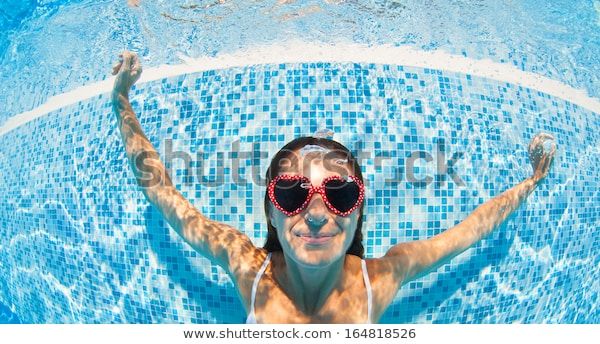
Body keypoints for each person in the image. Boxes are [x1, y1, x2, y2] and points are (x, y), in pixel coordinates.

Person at [111, 51, 557, 323]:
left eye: (340, 193)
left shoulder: (381, 277)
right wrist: (122, 99)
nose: (319, 212)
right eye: (291, 192)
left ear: (359, 211)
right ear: (270, 211)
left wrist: (532, 182)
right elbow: (162, 192)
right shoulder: (249, 270)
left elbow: (469, 231)